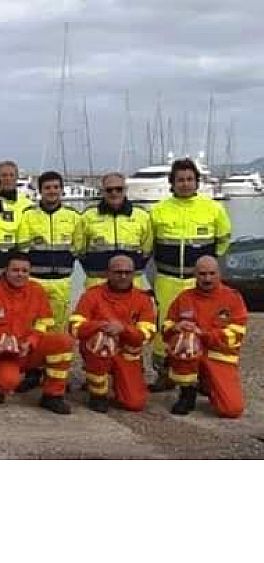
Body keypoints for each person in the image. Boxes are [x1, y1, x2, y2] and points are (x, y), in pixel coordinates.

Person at [149, 159, 232, 392]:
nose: (185, 184)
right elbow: (148, 247)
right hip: (167, 279)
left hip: (199, 283)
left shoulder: (214, 209)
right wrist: (154, 277)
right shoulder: (158, 211)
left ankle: (204, 374)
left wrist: (213, 270)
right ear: (172, 183)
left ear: (197, 182)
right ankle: (164, 372)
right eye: (180, 180)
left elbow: (224, 240)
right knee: (165, 326)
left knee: (203, 326)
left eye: (189, 179)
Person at [0, 253, 75, 414]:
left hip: (28, 350)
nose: (20, 274)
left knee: (63, 342)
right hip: (1, 354)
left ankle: (53, 395)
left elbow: (44, 322)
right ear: (5, 271)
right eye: (15, 270)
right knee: (6, 382)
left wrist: (31, 342)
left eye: (24, 271)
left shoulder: (37, 291)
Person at [68, 255, 157, 413]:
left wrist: (124, 329)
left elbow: (147, 334)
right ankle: (98, 394)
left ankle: (120, 385)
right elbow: (75, 327)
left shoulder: (142, 299)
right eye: (118, 272)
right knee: (101, 342)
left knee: (135, 404)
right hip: (98, 352)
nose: (123, 276)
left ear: (133, 274)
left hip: (127, 354)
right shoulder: (92, 295)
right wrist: (100, 326)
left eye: (127, 272)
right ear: (108, 273)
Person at [163, 256, 247, 418]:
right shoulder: (184, 297)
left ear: (219, 273)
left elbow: (236, 335)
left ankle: (207, 384)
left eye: (211, 273)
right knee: (185, 341)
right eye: (202, 274)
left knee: (231, 410)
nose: (207, 278)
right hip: (191, 353)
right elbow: (166, 326)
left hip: (219, 356)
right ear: (195, 274)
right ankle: (187, 393)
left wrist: (203, 334)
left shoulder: (232, 298)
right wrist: (175, 327)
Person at [17, 171, 81, 332]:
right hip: (34, 279)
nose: (52, 191)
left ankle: (55, 354)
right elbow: (22, 248)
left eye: (55, 187)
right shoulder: (28, 216)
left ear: (61, 190)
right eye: (47, 188)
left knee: (58, 324)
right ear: (40, 190)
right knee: (32, 323)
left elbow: (79, 247)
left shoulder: (73, 216)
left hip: (62, 280)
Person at [79, 172, 152, 288]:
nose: (114, 193)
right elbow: (80, 250)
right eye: (109, 190)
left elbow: (147, 250)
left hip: (132, 283)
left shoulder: (142, 216)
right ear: (102, 191)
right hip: (98, 282)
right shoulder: (87, 216)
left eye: (119, 189)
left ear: (125, 190)